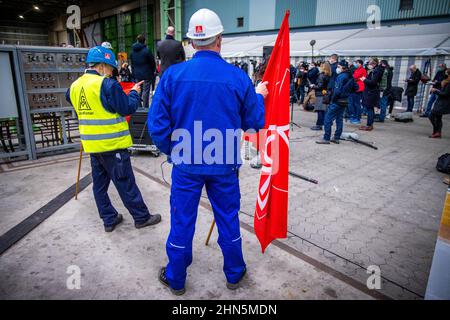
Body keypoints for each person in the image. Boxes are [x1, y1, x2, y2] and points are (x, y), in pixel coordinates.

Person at [148, 8, 267, 296]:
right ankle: (234, 274)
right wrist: (259, 95)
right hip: (224, 162)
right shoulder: (238, 78)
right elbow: (254, 122)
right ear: (220, 40)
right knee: (228, 217)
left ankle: (176, 278)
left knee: (182, 220)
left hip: (186, 163)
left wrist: (175, 150)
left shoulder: (172, 75)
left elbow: (156, 125)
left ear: (190, 42)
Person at [66, 46, 161, 232]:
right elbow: (127, 108)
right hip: (112, 145)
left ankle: (109, 219)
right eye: (110, 68)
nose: (111, 72)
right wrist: (134, 92)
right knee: (125, 182)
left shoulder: (75, 86)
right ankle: (141, 217)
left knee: (99, 186)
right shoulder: (107, 85)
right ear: (102, 66)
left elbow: (80, 103)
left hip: (92, 146)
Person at [316, 60, 355, 144]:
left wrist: (333, 99)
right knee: (339, 119)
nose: (337, 68)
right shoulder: (350, 76)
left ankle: (326, 138)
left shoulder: (341, 76)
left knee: (327, 119)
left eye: (338, 67)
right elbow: (356, 87)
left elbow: (337, 91)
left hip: (337, 101)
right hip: (345, 100)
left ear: (342, 67)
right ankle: (336, 137)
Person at [130, 34, 156, 108]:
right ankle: (145, 107)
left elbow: (132, 64)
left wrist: (133, 73)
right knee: (146, 91)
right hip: (147, 74)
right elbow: (152, 62)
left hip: (137, 75)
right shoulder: (147, 51)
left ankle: (138, 106)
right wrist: (152, 71)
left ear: (137, 41)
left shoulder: (132, 52)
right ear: (144, 41)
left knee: (138, 90)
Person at [360, 58, 384, 131]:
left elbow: (373, 82)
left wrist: (364, 80)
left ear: (374, 64)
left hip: (372, 92)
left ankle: (369, 125)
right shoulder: (375, 70)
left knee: (370, 108)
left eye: (369, 64)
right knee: (369, 108)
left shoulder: (377, 71)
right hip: (370, 91)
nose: (368, 65)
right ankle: (369, 124)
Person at [428, 68, 450, 138]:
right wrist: (437, 90)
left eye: (446, 73)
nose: (445, 74)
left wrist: (435, 91)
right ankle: (437, 133)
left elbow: (445, 94)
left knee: (431, 115)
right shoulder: (446, 82)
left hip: (443, 103)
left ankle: (437, 131)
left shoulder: (449, 83)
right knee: (438, 117)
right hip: (441, 102)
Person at [310, 62, 331, 131]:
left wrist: (313, 86)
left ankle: (319, 125)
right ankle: (324, 124)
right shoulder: (328, 75)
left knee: (320, 110)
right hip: (325, 93)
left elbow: (319, 86)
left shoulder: (321, 75)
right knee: (324, 111)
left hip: (320, 94)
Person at [348, 60, 366, 124]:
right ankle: (354, 116)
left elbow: (354, 76)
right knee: (353, 104)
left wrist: (354, 77)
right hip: (355, 87)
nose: (356, 64)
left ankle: (358, 118)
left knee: (357, 104)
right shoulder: (357, 69)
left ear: (360, 64)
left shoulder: (362, 70)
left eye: (357, 63)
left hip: (359, 88)